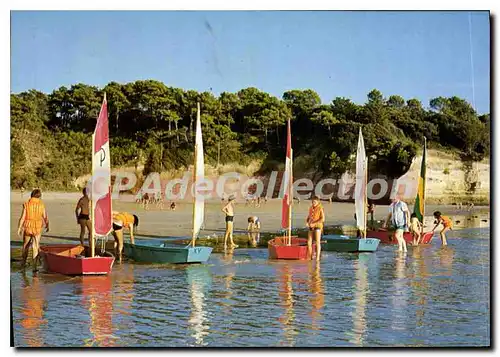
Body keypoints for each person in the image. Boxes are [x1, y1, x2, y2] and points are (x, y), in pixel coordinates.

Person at [17, 189, 49, 272]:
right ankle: (34, 267)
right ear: (39, 196)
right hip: (37, 227)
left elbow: (23, 217)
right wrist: (47, 225)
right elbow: (45, 216)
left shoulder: (27, 204)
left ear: (32, 195)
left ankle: (23, 264)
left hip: (28, 226)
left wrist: (19, 228)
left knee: (25, 246)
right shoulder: (41, 205)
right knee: (35, 246)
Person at [306, 196, 325, 261]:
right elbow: (309, 216)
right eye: (312, 202)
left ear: (318, 202)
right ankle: (311, 257)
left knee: (317, 242)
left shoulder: (320, 208)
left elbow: (323, 219)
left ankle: (317, 258)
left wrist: (314, 223)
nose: (313, 203)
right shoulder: (311, 208)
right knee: (309, 242)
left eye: (314, 202)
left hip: (318, 226)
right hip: (311, 225)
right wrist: (307, 221)